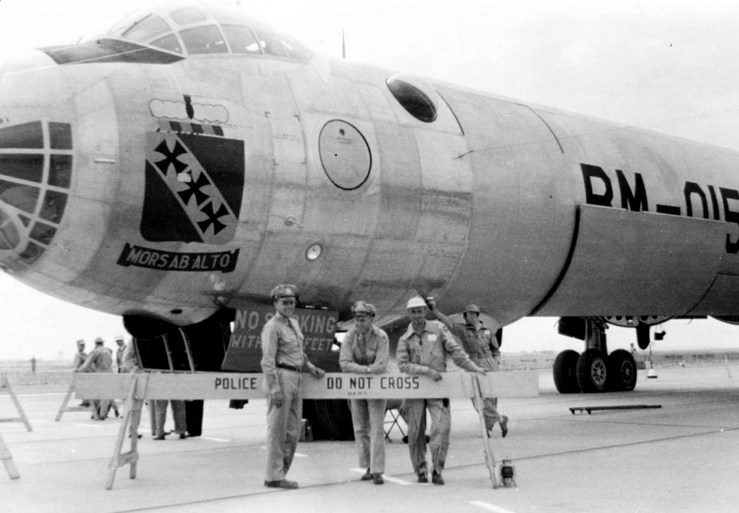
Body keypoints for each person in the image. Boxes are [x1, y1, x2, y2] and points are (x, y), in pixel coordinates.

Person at [396, 296, 486, 486]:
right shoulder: (405, 338)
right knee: (415, 432)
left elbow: (455, 350)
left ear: (424, 312)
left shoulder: (438, 329)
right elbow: (403, 364)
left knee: (441, 430)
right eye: (413, 312)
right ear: (408, 314)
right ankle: (420, 471)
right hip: (416, 391)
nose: (417, 316)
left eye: (420, 311)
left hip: (438, 388)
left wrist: (472, 367)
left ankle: (437, 470)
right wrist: (427, 371)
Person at [261, 284, 326, 490]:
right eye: (284, 302)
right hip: (282, 377)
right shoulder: (272, 327)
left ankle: (280, 474)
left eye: (291, 302)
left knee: (292, 432)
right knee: (277, 431)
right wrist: (274, 389)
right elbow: (267, 361)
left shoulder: (294, 324)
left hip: (296, 377)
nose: (289, 306)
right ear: (275, 303)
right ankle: (273, 476)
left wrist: (310, 367)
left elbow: (299, 353)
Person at [429, 300, 508, 437]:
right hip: (472, 363)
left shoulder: (488, 332)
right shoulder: (462, 329)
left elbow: (495, 350)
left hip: (489, 364)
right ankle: (501, 419)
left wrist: (497, 362)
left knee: (490, 398)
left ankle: (487, 429)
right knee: (476, 398)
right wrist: (434, 309)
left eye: (466, 315)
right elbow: (447, 322)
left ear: (473, 314)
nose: (464, 318)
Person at [339, 301, 389, 485]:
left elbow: (382, 365)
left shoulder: (380, 336)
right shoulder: (350, 336)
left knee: (376, 427)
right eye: (357, 319)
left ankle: (377, 471)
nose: (359, 323)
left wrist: (361, 369)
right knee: (360, 428)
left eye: (363, 319)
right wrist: (367, 370)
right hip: (357, 386)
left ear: (371, 319)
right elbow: (344, 363)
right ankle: (367, 467)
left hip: (376, 387)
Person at [77, 337, 119, 420]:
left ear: (95, 343)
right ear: (103, 343)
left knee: (97, 395)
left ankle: (97, 413)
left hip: (100, 374)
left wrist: (79, 371)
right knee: (107, 395)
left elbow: (87, 364)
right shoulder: (107, 351)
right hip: (110, 373)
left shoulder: (95, 352)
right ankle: (104, 413)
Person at [72, 340, 90, 407]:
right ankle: (86, 401)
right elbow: (76, 367)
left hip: (87, 375)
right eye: (81, 345)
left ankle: (86, 401)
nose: (82, 347)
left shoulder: (84, 354)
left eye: (83, 345)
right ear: (77, 346)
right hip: (82, 375)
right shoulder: (78, 355)